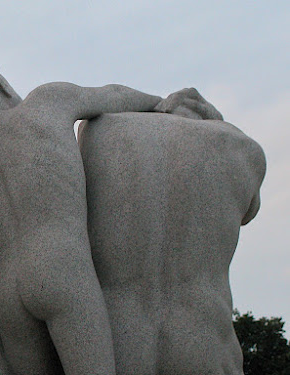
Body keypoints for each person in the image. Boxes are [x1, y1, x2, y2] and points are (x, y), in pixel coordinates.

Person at [0, 63, 212, 375]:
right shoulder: (43, 104)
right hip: (59, 265)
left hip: (4, 290)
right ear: (3, 86)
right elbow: (112, 96)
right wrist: (161, 103)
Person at [78, 92, 265, 374]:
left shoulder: (100, 131)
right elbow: (249, 212)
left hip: (114, 337)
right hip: (205, 337)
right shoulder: (241, 148)